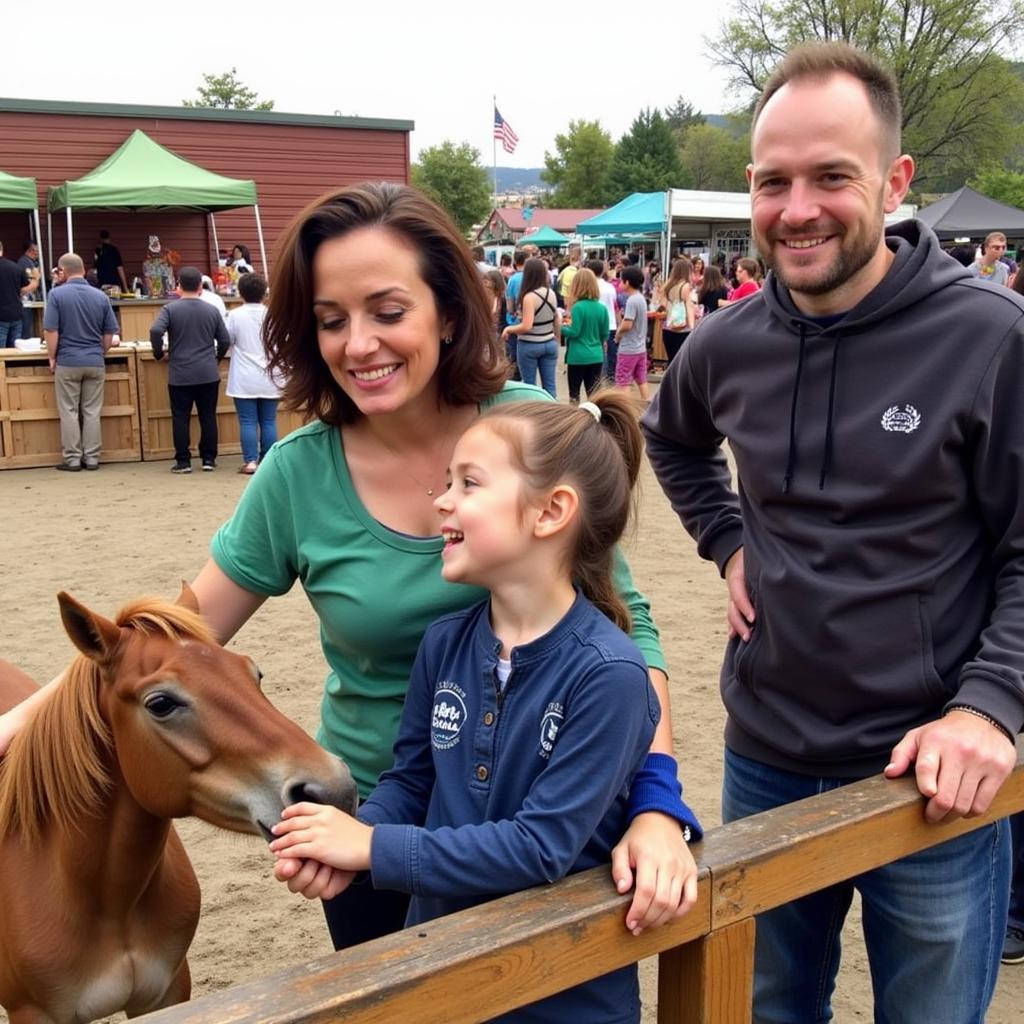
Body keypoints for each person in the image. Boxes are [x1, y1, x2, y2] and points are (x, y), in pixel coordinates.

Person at [641, 41, 1021, 1024]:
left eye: (829, 177)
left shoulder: (990, 337)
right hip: (766, 748)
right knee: (765, 1007)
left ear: (894, 182)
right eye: (773, 182)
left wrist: (990, 707)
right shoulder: (725, 342)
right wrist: (727, 540)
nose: (796, 208)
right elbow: (670, 441)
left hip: (932, 769)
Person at [268, 392, 702, 1023]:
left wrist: (372, 849)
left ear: (551, 512)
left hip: (561, 991)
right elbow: (410, 781)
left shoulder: (610, 675)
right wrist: (346, 848)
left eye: (468, 483)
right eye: (447, 482)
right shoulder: (444, 643)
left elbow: (541, 846)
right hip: (442, 968)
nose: (441, 500)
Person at [150, 266, 231, 473]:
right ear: (200, 287)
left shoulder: (169, 309)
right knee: (208, 416)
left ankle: (183, 461)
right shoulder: (212, 310)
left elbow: (155, 330)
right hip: (207, 372)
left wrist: (159, 353)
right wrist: (216, 359)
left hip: (180, 373)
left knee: (180, 417)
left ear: (178, 286)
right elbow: (224, 340)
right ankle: (209, 459)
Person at [42, 252, 119, 471]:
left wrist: (51, 356)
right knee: (92, 411)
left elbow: (51, 330)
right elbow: (109, 332)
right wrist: (100, 352)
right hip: (94, 359)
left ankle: (73, 458)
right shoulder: (100, 296)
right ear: (84, 270)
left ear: (62, 271)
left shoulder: (57, 295)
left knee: (69, 411)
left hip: (68, 360)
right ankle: (92, 457)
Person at [226, 272, 280, 475]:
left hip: (244, 376)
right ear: (264, 293)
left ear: (240, 292)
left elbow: (226, 339)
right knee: (269, 420)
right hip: (270, 374)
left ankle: (250, 461)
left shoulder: (234, 315)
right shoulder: (273, 315)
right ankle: (268, 460)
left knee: (247, 421)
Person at [501, 256, 560, 398]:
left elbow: (527, 325)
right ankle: (553, 415)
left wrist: (508, 329)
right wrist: (556, 338)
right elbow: (556, 318)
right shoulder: (550, 293)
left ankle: (532, 417)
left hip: (530, 345)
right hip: (549, 343)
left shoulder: (529, 297)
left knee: (529, 387)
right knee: (550, 387)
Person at [561, 268, 607, 403]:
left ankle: (576, 420)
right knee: (594, 394)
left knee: (574, 394)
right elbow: (604, 333)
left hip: (577, 356)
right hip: (596, 355)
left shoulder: (578, 307)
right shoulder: (601, 308)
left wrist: (561, 328)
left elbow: (574, 332)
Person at [613, 265, 649, 401]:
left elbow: (627, 324)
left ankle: (624, 407)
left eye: (622, 281)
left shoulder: (632, 300)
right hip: (640, 348)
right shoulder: (641, 298)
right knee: (641, 379)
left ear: (627, 283)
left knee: (623, 381)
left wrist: (618, 333)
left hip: (628, 348)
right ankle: (647, 404)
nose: (620, 284)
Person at [587, 258, 620, 381]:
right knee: (611, 352)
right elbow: (614, 305)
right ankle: (611, 377)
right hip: (611, 323)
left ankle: (600, 376)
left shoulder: (589, 287)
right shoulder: (610, 287)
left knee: (600, 352)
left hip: (594, 325)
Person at [660, 257, 695, 363]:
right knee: (682, 362)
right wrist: (693, 327)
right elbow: (689, 307)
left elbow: (662, 304)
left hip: (668, 327)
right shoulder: (686, 286)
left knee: (671, 360)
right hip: (683, 329)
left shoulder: (667, 285)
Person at [0, 240, 33, 346]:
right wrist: (36, 280)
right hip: (16, 313)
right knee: (16, 348)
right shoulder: (15, 267)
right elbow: (25, 287)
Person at [17, 240, 41, 339]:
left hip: (31, 301)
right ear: (31, 250)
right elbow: (30, 281)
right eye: (36, 250)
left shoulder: (31, 262)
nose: (37, 253)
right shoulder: (24, 262)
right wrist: (37, 278)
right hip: (26, 301)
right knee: (27, 330)